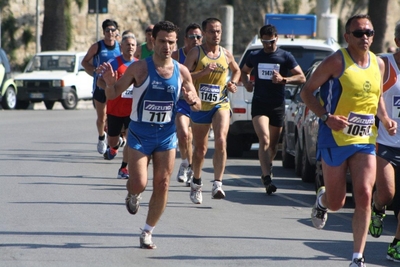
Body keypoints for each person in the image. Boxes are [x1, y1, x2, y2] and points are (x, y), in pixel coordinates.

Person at [300, 14, 397, 267]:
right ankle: (322, 200)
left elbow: (376, 99)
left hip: (365, 139)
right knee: (337, 202)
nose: (365, 37)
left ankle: (357, 257)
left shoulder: (379, 64)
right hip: (334, 138)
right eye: (358, 33)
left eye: (369, 32)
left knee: (365, 193)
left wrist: (385, 119)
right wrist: (326, 117)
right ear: (347, 37)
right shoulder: (335, 61)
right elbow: (306, 92)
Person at [100, 21, 201, 249]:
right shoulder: (139, 68)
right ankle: (133, 194)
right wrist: (109, 83)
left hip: (166, 135)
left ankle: (147, 231)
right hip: (139, 134)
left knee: (163, 184)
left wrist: (194, 101)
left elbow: (196, 103)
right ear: (153, 41)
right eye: (163, 41)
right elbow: (114, 93)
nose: (167, 46)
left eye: (171, 42)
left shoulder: (182, 71)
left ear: (176, 44)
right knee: (138, 182)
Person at [241, 24, 305, 195]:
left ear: (276, 38)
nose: (268, 45)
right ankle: (266, 176)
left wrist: (284, 79)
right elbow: (244, 71)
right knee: (264, 139)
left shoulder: (285, 56)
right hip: (260, 103)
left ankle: (267, 167)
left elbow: (301, 77)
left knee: (273, 146)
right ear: (261, 39)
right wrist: (247, 83)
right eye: (265, 42)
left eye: (270, 41)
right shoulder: (255, 55)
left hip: (277, 104)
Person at [184, 17, 240, 204]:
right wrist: (202, 73)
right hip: (200, 105)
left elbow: (237, 70)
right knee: (200, 149)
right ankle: (197, 183)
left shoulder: (226, 54)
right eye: (211, 31)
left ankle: (217, 183)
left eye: (218, 31)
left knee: (221, 140)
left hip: (220, 103)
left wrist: (233, 82)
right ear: (205, 33)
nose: (215, 35)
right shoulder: (195, 53)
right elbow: (183, 76)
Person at [368, 22, 400, 262]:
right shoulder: (384, 64)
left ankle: (396, 245)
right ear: (398, 41)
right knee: (387, 194)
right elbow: (370, 94)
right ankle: (377, 208)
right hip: (385, 142)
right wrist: (384, 117)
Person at [96, 31, 138, 179]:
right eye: (127, 45)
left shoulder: (139, 65)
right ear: (121, 47)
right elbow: (99, 81)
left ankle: (124, 168)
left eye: (133, 45)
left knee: (131, 139)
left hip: (132, 110)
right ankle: (114, 146)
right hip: (115, 108)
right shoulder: (114, 63)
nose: (130, 47)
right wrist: (109, 85)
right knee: (112, 140)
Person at [82, 19, 121, 155]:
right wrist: (94, 71)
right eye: (107, 30)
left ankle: (113, 143)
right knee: (102, 118)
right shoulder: (97, 47)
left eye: (112, 30)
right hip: (99, 87)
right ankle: (101, 138)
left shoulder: (120, 47)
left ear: (116, 32)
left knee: (114, 117)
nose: (110, 32)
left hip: (115, 87)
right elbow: (84, 62)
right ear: (104, 32)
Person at [171, 23, 203, 186]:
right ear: (185, 39)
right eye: (192, 37)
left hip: (201, 103)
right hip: (182, 102)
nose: (196, 40)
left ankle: (191, 167)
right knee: (183, 134)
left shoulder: (206, 55)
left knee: (196, 142)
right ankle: (186, 164)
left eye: (199, 37)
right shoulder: (176, 55)